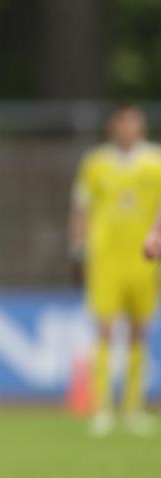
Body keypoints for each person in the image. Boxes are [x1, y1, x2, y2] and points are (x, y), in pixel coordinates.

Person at [70, 103, 161, 436]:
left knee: (140, 331)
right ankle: (103, 408)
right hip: (105, 258)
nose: (130, 128)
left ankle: (133, 408)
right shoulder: (95, 163)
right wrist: (78, 249)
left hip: (144, 260)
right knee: (104, 331)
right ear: (114, 126)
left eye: (135, 122)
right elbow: (81, 207)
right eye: (124, 122)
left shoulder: (156, 161)